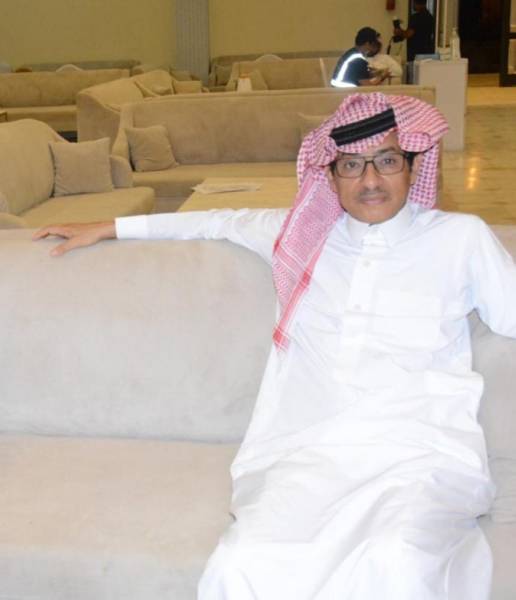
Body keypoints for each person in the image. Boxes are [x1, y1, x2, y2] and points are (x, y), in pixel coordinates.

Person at [34, 92, 516, 599]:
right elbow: (215, 220)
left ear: (413, 166)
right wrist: (110, 226)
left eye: (387, 160)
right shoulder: (303, 235)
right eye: (352, 165)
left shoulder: (460, 238)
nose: (371, 180)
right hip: (311, 451)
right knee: (242, 562)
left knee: (396, 561)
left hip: (419, 454)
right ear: (331, 175)